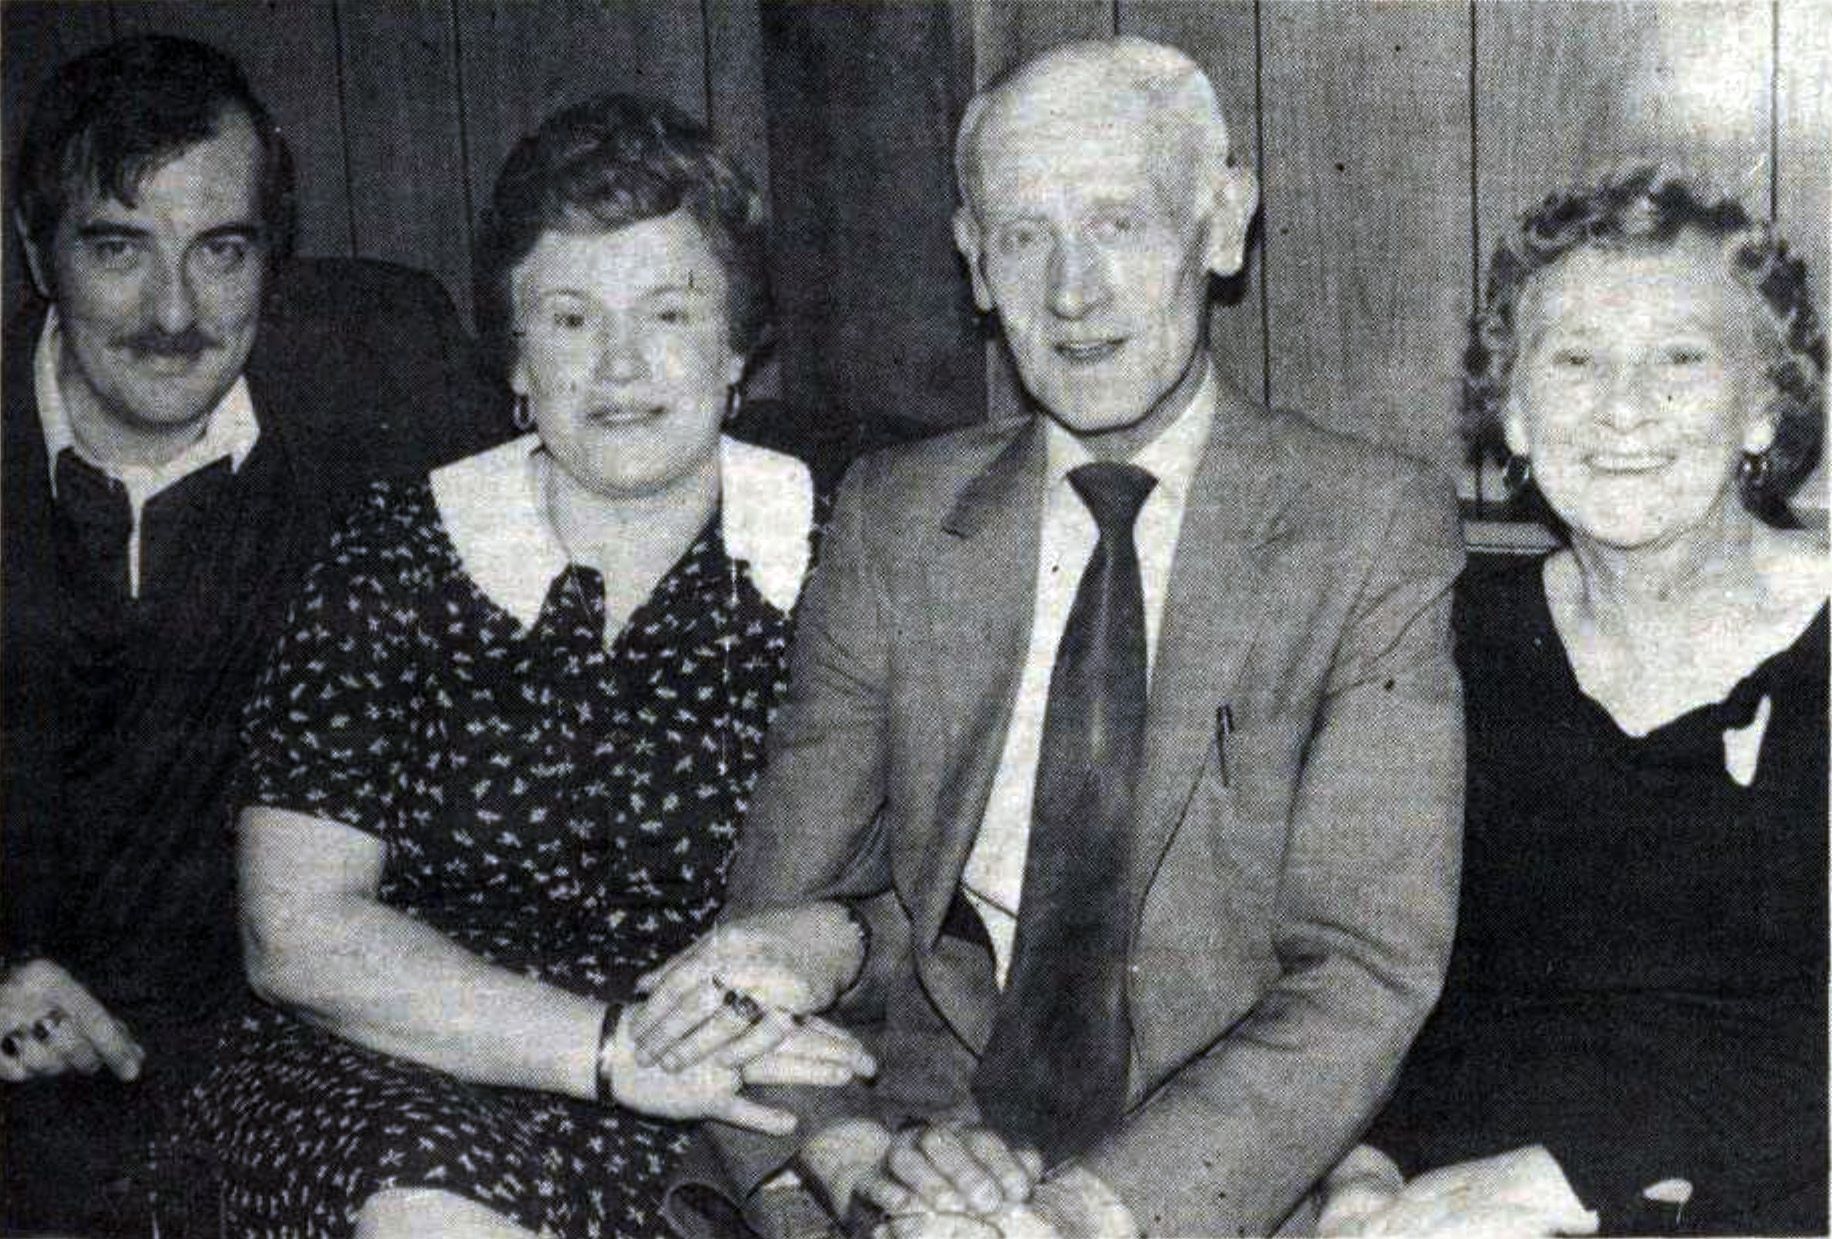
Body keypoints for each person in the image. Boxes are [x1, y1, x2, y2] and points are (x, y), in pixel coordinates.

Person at [646, 37, 1466, 1239]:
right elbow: (774, 927)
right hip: (914, 1153)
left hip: (1193, 1181)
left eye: (1117, 224)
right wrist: (858, 1160)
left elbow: (1361, 972)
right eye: (1024, 236)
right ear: (974, 262)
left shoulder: (1365, 527)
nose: (1071, 292)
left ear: (1220, 224)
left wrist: (1085, 1213)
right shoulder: (895, 519)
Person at [174, 93, 874, 1239]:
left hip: (713, 1087)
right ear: (513, 355)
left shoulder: (839, 550)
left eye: (668, 311)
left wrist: (805, 961)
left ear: (737, 345)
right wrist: (601, 1052)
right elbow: (295, 931)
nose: (620, 365)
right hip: (398, 1070)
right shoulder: (397, 550)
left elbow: (912, 887)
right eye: (569, 318)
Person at [0, 34, 505, 1233]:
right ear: (35, 254)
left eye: (221, 250)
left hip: (307, 1066)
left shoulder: (377, 373)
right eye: (118, 249)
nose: (174, 313)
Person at [1316, 167, 1828, 1238]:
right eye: (1575, 360)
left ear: (1763, 405)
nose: (1622, 408)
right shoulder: (1452, 639)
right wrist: (1364, 1171)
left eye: (1679, 359)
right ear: (1511, 412)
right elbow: (1417, 983)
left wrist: (1564, 1177)